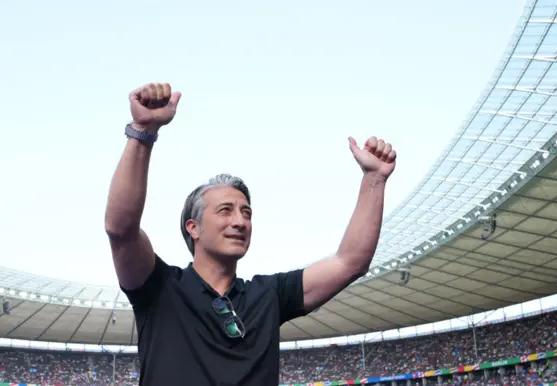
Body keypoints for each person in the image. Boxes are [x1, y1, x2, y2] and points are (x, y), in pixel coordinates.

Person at [104, 82, 397, 386]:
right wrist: (143, 131)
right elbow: (121, 230)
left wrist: (374, 179)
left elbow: (351, 262)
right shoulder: (160, 289)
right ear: (194, 228)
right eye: (225, 210)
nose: (240, 221)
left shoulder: (268, 296)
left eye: (246, 213)